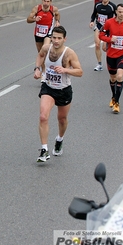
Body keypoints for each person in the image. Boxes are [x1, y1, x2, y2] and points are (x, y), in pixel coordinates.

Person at [33, 26, 83, 162]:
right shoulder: (46, 48)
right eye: (54, 37)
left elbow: (80, 71)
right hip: (48, 87)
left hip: (63, 90)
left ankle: (59, 139)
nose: (56, 41)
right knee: (43, 117)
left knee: (62, 119)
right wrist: (37, 69)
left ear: (64, 39)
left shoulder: (69, 53)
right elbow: (40, 56)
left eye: (59, 38)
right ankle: (44, 150)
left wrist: (66, 70)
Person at [99, 3, 123, 114]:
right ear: (116, 12)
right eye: (120, 12)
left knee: (119, 76)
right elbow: (101, 35)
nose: (121, 14)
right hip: (111, 55)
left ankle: (117, 103)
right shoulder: (109, 23)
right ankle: (113, 96)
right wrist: (109, 40)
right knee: (113, 78)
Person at [27, 0, 60, 82]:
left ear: (50, 2)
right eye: (44, 1)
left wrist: (57, 21)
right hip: (38, 33)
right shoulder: (36, 8)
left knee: (45, 51)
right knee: (40, 53)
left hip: (48, 33)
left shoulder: (54, 9)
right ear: (42, 1)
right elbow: (28, 19)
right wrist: (35, 19)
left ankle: (45, 73)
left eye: (48, 1)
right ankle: (44, 71)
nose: (46, 3)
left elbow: (57, 15)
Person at [89, 0, 116, 71]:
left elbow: (117, 17)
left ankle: (112, 62)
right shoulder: (98, 5)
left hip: (108, 29)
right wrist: (91, 21)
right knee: (97, 45)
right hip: (99, 26)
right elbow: (94, 14)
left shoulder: (112, 6)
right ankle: (99, 64)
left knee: (105, 48)